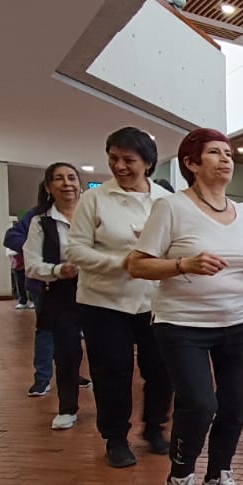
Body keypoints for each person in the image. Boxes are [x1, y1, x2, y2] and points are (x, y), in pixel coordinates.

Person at [128, 128, 243, 485]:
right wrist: (183, 264)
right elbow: (137, 264)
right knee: (200, 404)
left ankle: (217, 478)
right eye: (214, 153)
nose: (226, 159)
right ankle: (180, 480)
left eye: (228, 153)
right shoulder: (171, 208)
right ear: (192, 163)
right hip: (183, 323)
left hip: (240, 321)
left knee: (235, 405)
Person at [67, 126, 173, 467]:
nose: (120, 166)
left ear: (148, 162)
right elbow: (75, 250)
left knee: (161, 369)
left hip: (155, 300)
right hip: (103, 301)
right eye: (114, 158)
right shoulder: (94, 199)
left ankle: (155, 427)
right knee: (113, 371)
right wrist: (123, 263)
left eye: (129, 159)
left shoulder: (165, 201)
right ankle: (115, 437)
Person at [22, 163, 87, 430]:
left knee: (107, 354)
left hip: (99, 289)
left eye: (72, 178)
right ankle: (68, 407)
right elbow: (32, 264)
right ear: (49, 187)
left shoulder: (94, 215)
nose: (67, 183)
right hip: (62, 292)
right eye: (58, 179)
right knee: (67, 352)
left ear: (80, 184)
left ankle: (112, 414)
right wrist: (59, 270)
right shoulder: (41, 221)